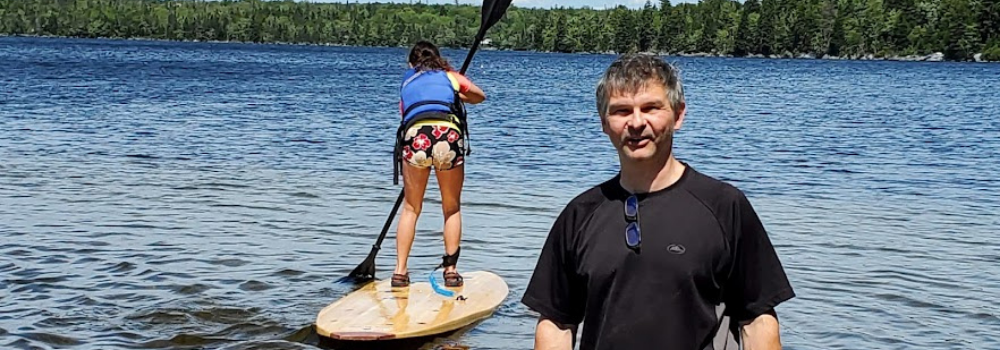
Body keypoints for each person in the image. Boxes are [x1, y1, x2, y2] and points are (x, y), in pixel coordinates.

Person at [521, 53, 795, 350]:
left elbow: (756, 319)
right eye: (621, 111)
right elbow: (557, 322)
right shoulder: (580, 214)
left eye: (651, 108)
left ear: (678, 115)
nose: (636, 123)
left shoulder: (724, 206)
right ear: (604, 123)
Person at [391, 40, 486, 288]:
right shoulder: (451, 76)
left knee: (411, 208)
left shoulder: (406, 81)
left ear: (412, 63)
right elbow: (479, 96)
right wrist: (458, 94)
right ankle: (451, 271)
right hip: (448, 136)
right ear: (438, 59)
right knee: (451, 208)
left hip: (416, 137)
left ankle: (400, 272)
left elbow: (406, 112)